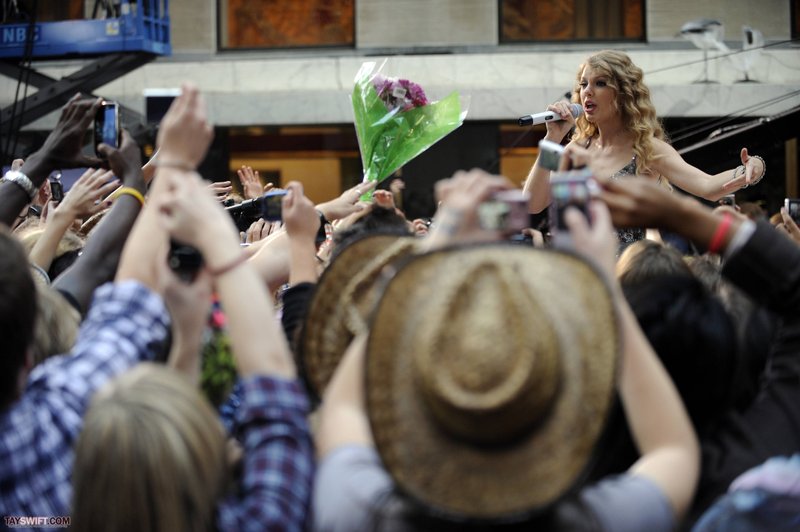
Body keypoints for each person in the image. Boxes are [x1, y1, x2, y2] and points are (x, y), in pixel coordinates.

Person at [312, 169, 700, 531]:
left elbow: (343, 408)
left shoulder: (362, 512)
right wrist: (601, 280)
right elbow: (674, 448)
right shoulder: (600, 520)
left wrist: (435, 247)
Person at [523, 49, 767, 251]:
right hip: (577, 274)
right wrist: (552, 138)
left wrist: (751, 167)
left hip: (626, 277)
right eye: (584, 83)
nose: (587, 91)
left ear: (623, 93)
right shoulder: (576, 148)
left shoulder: (646, 148)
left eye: (600, 83)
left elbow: (708, 186)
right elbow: (533, 204)